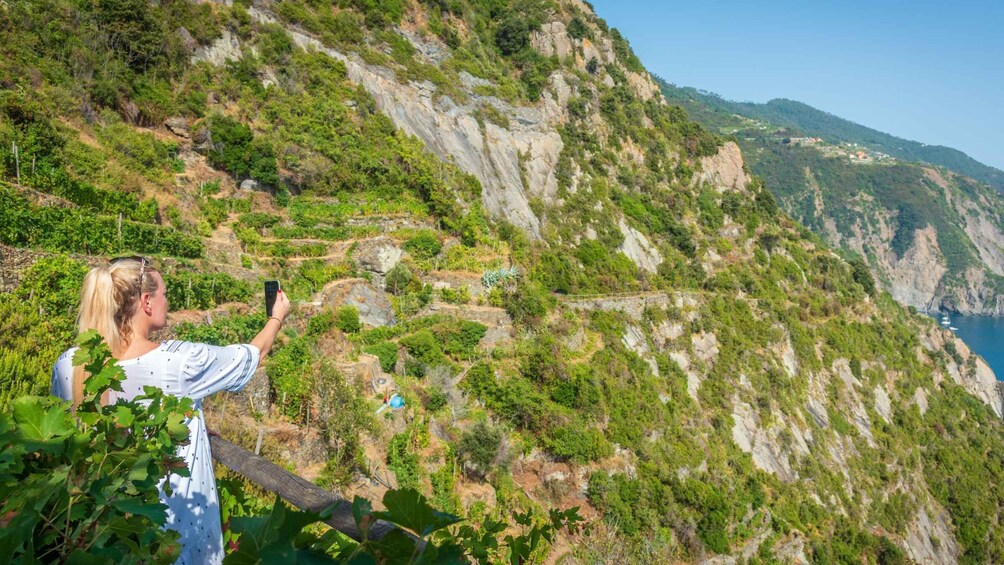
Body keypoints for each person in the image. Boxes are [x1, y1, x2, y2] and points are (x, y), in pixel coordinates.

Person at [50, 256, 290, 564]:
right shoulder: (178, 362)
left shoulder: (70, 364)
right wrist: (277, 317)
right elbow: (251, 356)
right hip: (173, 539)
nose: (168, 301)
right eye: (164, 293)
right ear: (147, 301)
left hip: (105, 531)